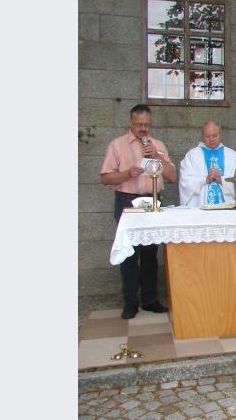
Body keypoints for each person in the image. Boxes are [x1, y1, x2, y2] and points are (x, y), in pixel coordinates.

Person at [100, 104, 176, 319]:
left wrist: (158, 156)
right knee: (129, 254)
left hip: (153, 202)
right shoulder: (117, 145)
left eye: (147, 125)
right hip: (127, 201)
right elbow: (104, 177)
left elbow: (172, 177)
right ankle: (130, 302)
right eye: (139, 124)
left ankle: (151, 300)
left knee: (151, 254)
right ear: (130, 123)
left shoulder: (158, 145)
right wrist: (126, 174)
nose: (144, 129)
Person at [179, 121, 236, 207]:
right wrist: (205, 179)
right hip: (200, 208)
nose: (211, 139)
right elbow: (185, 181)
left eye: (214, 136)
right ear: (202, 136)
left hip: (227, 208)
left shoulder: (233, 156)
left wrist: (222, 180)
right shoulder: (192, 156)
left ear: (221, 135)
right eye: (208, 136)